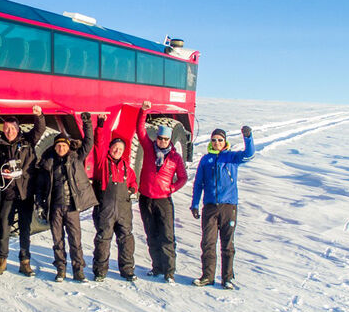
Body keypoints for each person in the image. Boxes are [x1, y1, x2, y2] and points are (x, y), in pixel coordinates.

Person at [190, 126, 254, 289]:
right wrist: (195, 204)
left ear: (225, 141)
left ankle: (227, 278)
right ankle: (207, 276)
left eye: (220, 140)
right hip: (210, 207)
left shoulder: (232, 157)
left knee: (227, 244)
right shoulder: (206, 160)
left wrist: (248, 138)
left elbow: (249, 154)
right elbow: (199, 183)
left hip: (228, 207)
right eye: (214, 140)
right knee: (208, 243)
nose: (217, 142)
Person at [35, 112, 96, 282]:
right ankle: (60, 269)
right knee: (58, 241)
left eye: (64, 145)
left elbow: (89, 142)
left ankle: (78, 271)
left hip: (72, 207)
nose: (61, 148)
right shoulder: (48, 164)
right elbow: (40, 187)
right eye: (58, 146)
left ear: (68, 147)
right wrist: (40, 204)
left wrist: (87, 123)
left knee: (75, 241)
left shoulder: (76, 159)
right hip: (55, 208)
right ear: (54, 147)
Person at [0, 104, 46, 276]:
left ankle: (24, 261)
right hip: (8, 192)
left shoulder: (27, 141)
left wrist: (39, 115)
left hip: (25, 192)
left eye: (12, 128)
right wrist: (2, 173)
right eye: (6, 129)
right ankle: (2, 260)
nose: (9, 132)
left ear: (17, 129)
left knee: (24, 228)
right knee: (4, 227)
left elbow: (40, 129)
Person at [135, 100, 188, 283]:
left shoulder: (175, 157)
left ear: (169, 140)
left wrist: (171, 188)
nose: (162, 141)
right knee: (151, 234)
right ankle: (156, 267)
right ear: (157, 138)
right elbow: (140, 130)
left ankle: (169, 271)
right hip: (146, 198)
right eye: (160, 138)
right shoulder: (149, 148)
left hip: (163, 200)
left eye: (165, 139)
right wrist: (143, 111)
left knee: (166, 235)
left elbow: (183, 178)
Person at [90, 117, 138, 282]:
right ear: (110, 149)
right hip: (106, 209)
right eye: (115, 147)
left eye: (120, 148)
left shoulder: (127, 168)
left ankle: (127, 271)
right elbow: (99, 144)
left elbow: (133, 182)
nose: (117, 150)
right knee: (103, 239)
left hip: (124, 210)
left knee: (126, 239)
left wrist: (132, 189)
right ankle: (100, 271)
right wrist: (101, 126)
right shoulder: (103, 163)